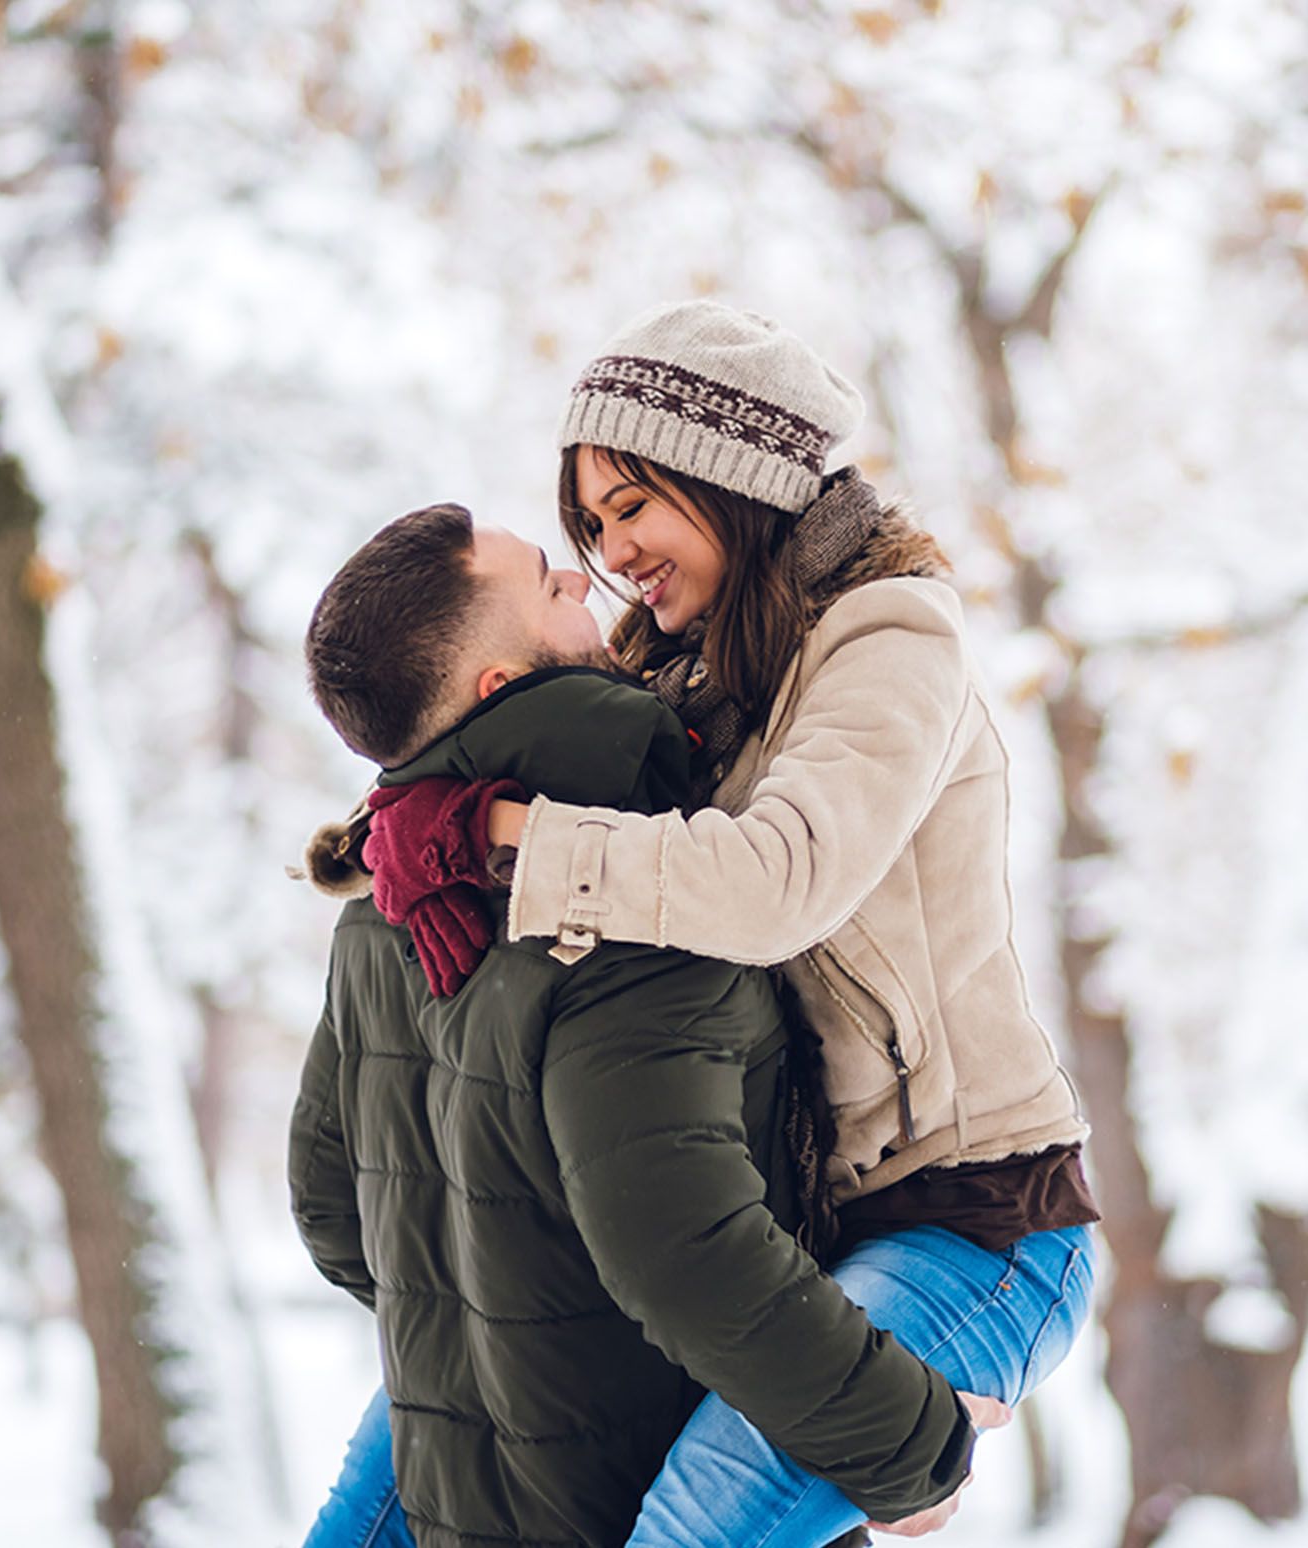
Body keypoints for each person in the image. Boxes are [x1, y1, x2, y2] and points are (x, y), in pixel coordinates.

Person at [343, 301, 1105, 1548]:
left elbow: (773, 881)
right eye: (588, 528)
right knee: (394, 1486)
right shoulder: (667, 675)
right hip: (778, 1237)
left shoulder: (887, 632)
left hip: (970, 1220)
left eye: (630, 506)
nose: (610, 552)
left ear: (728, 475)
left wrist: (501, 837)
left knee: (695, 1533)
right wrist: (389, 836)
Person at [289, 503, 1001, 1548]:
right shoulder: (629, 895)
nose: (585, 580)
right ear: (501, 687)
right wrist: (913, 1451)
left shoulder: (380, 908)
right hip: (623, 1499)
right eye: (547, 583)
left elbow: (331, 1207)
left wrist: (497, 1324)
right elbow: (686, 1257)